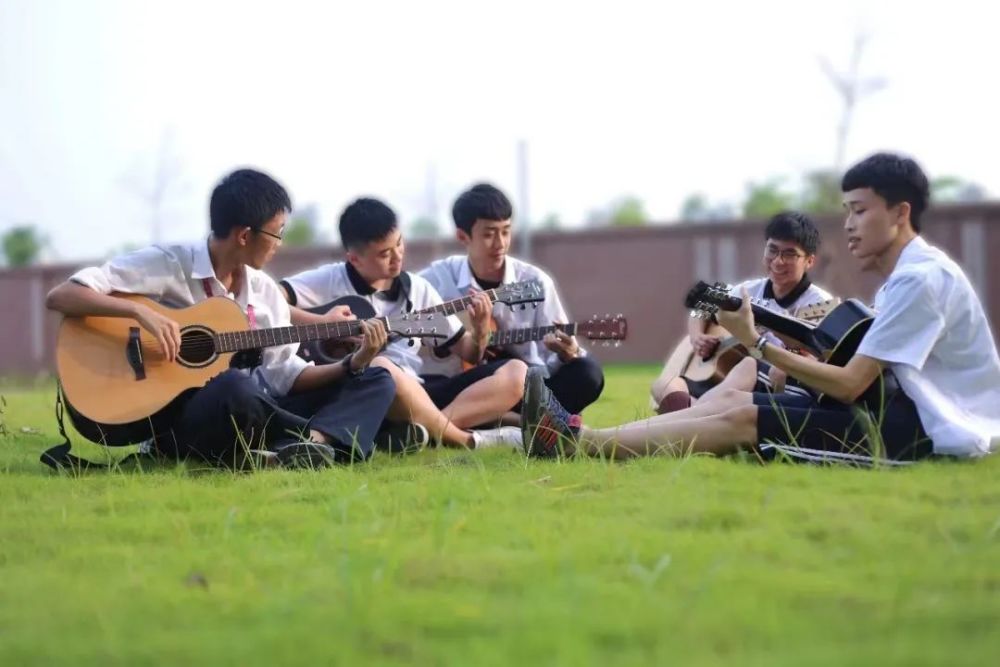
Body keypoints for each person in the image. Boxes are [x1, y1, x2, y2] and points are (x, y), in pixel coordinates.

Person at [522, 153, 1000, 465]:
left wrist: (755, 341)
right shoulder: (907, 277)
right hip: (891, 407)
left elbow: (852, 382)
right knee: (733, 399)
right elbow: (863, 376)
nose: (849, 224)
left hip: (925, 433)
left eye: (860, 210)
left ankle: (575, 443)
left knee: (743, 420)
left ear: (900, 213)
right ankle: (582, 432)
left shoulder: (921, 279)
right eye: (847, 211)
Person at [45, 168, 398, 470]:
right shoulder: (170, 264)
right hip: (190, 418)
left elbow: (286, 376)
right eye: (277, 232)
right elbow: (61, 296)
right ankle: (320, 439)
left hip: (252, 410)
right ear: (244, 235)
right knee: (234, 386)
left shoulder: (264, 291)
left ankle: (309, 444)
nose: (280, 243)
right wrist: (140, 312)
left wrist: (354, 362)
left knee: (377, 378)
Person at [280, 197, 526, 451]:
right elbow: (269, 300)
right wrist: (323, 322)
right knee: (381, 366)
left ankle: (425, 429)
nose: (397, 257)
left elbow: (470, 353)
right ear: (354, 259)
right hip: (363, 395)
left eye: (399, 244)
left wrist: (481, 327)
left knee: (517, 372)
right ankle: (466, 439)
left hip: (417, 390)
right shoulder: (330, 280)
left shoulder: (419, 290)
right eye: (384, 254)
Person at [419, 183, 604, 416]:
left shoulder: (535, 282)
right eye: (489, 234)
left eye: (505, 231)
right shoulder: (436, 280)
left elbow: (552, 357)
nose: (500, 243)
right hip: (459, 384)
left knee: (587, 373)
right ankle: (519, 420)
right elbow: (398, 309)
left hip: (522, 386)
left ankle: (499, 418)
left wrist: (569, 352)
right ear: (462, 236)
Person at [651, 211, 834, 413]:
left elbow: (818, 361)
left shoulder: (820, 303)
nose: (778, 261)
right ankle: (696, 413)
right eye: (772, 250)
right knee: (662, 385)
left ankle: (689, 414)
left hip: (766, 385)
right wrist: (697, 337)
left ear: (809, 261)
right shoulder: (748, 291)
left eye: (789, 254)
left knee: (750, 365)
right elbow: (701, 308)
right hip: (722, 377)